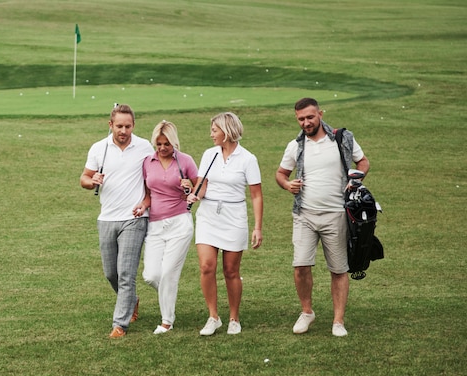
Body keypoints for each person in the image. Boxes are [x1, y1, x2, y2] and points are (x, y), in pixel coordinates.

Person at [276, 97, 370, 337]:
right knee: (300, 266)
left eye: (310, 117)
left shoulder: (342, 138)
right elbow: (280, 173)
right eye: (301, 119)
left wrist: (355, 179)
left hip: (337, 213)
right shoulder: (295, 146)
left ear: (320, 114)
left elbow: (363, 161)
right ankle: (307, 312)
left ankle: (338, 321)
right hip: (304, 214)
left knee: (338, 269)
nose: (306, 123)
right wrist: (287, 185)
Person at [80, 104, 153, 339]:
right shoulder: (99, 148)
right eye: (119, 126)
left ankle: (120, 325)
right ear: (110, 125)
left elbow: (153, 180)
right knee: (111, 273)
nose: (124, 130)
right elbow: (83, 178)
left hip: (134, 218)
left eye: (128, 126)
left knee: (125, 273)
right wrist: (93, 181)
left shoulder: (144, 147)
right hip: (106, 218)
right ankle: (132, 299)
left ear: (133, 125)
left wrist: (146, 202)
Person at [187, 112, 263, 336]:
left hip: (234, 217)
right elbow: (202, 185)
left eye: (214, 130)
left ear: (226, 131)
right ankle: (213, 317)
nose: (211, 134)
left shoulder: (248, 159)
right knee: (206, 266)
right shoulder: (209, 154)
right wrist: (194, 195)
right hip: (209, 215)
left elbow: (256, 195)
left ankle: (234, 318)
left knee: (231, 270)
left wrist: (257, 227)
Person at [135, 120, 198, 334]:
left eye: (167, 144)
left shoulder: (185, 161)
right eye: (158, 143)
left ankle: (166, 321)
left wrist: (190, 188)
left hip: (180, 223)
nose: (162, 148)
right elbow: (149, 195)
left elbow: (199, 186)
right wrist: (142, 205)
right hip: (155, 225)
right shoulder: (147, 162)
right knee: (151, 275)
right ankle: (168, 294)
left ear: (174, 143)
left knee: (169, 272)